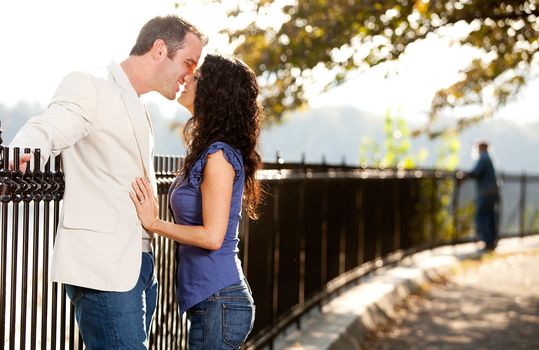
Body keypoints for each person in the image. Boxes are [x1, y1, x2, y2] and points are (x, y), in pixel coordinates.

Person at [9, 15, 207, 349]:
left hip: (139, 266)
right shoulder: (92, 84)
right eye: (188, 62)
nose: (191, 75)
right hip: (104, 268)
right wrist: (22, 150)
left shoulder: (140, 107)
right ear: (160, 49)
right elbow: (50, 125)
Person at [130, 54, 262, 349]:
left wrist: (153, 223)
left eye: (198, 76)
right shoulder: (208, 151)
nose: (187, 78)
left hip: (220, 301)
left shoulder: (218, 156)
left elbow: (212, 237)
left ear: (216, 90)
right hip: (213, 301)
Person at [467, 140, 499, 251]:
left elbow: (475, 173)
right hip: (492, 192)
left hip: (485, 193)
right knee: (490, 217)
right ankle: (492, 241)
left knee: (482, 217)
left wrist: (464, 176)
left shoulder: (484, 158)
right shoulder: (489, 158)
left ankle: (488, 242)